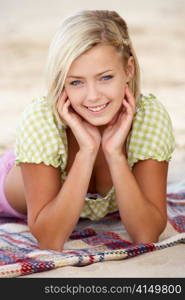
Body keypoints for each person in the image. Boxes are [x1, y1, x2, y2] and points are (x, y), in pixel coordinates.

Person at [0, 10, 175, 251]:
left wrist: (115, 154)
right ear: (62, 82)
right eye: (76, 82)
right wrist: (86, 151)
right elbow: (50, 240)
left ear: (129, 69)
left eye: (105, 77)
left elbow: (146, 235)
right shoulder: (42, 120)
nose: (93, 96)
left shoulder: (148, 117)